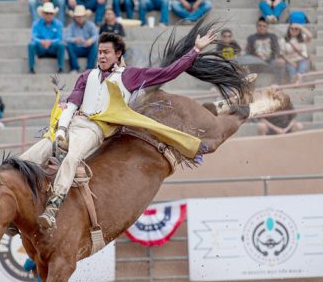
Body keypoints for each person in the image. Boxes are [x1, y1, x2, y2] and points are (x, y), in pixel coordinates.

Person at [20, 31, 216, 228]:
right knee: (26, 159)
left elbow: (168, 73)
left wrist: (196, 49)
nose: (102, 56)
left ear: (118, 54)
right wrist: (61, 130)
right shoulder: (87, 76)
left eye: (106, 52)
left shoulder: (130, 75)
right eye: (100, 52)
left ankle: (54, 206)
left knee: (72, 158)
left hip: (94, 129)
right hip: (70, 124)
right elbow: (72, 104)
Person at [28, 2, 66, 74]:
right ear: (43, 14)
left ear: (53, 14)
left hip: (52, 48)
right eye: (46, 13)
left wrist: (51, 42)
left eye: (51, 13)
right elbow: (33, 37)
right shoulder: (36, 23)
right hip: (41, 48)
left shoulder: (58, 24)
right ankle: (31, 68)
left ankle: (60, 67)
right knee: (31, 45)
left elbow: (60, 38)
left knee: (61, 45)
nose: (49, 15)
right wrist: (41, 41)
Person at [246, 17, 285, 83]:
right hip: (256, 64)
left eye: (264, 26)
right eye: (260, 26)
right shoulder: (251, 38)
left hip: (269, 63)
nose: (262, 27)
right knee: (246, 65)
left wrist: (280, 58)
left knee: (280, 62)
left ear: (267, 28)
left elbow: (277, 49)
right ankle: (249, 87)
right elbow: (248, 52)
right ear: (256, 27)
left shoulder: (272, 36)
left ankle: (277, 85)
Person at [65, 5, 99, 73]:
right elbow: (66, 38)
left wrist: (91, 40)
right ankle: (75, 68)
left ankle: (89, 69)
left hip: (87, 48)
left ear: (85, 16)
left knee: (94, 45)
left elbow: (96, 35)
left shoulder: (90, 25)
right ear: (75, 17)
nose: (79, 18)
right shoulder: (71, 26)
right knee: (69, 45)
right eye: (77, 16)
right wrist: (75, 39)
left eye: (81, 16)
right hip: (76, 49)